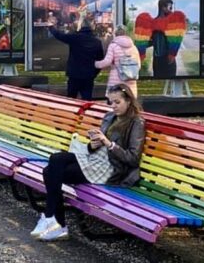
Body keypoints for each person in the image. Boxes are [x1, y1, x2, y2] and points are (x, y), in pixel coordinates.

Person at [30, 84, 145, 241]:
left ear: (129, 101)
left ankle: (54, 220)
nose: (113, 106)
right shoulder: (110, 117)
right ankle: (54, 220)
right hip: (96, 161)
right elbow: (95, 147)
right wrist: (93, 144)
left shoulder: (136, 122)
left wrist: (109, 144)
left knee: (49, 172)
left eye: (117, 102)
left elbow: (132, 158)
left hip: (112, 169)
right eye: (111, 102)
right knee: (55, 159)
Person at [48, 17, 104, 100]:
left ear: (80, 27)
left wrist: (51, 27)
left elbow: (60, 36)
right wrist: (94, 73)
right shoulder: (97, 42)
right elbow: (100, 60)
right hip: (88, 75)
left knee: (71, 99)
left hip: (74, 74)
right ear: (91, 28)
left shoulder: (75, 38)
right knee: (87, 100)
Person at [133, 0, 186, 78]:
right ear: (163, 7)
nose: (171, 10)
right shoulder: (159, 23)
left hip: (162, 60)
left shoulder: (154, 23)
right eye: (170, 7)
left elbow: (150, 42)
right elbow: (152, 42)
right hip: (164, 60)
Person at [95, 25, 140, 98]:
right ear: (125, 34)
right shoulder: (133, 47)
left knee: (115, 103)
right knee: (129, 103)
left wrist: (95, 64)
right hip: (131, 81)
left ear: (115, 34)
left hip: (116, 80)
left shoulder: (113, 46)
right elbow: (138, 65)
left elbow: (107, 62)